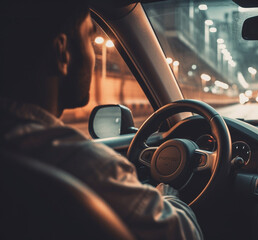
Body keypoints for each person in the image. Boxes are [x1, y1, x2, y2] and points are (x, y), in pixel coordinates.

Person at [0, 1, 203, 239]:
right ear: (61, 52)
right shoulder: (87, 166)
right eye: (89, 37)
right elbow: (184, 234)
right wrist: (168, 194)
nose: (93, 55)